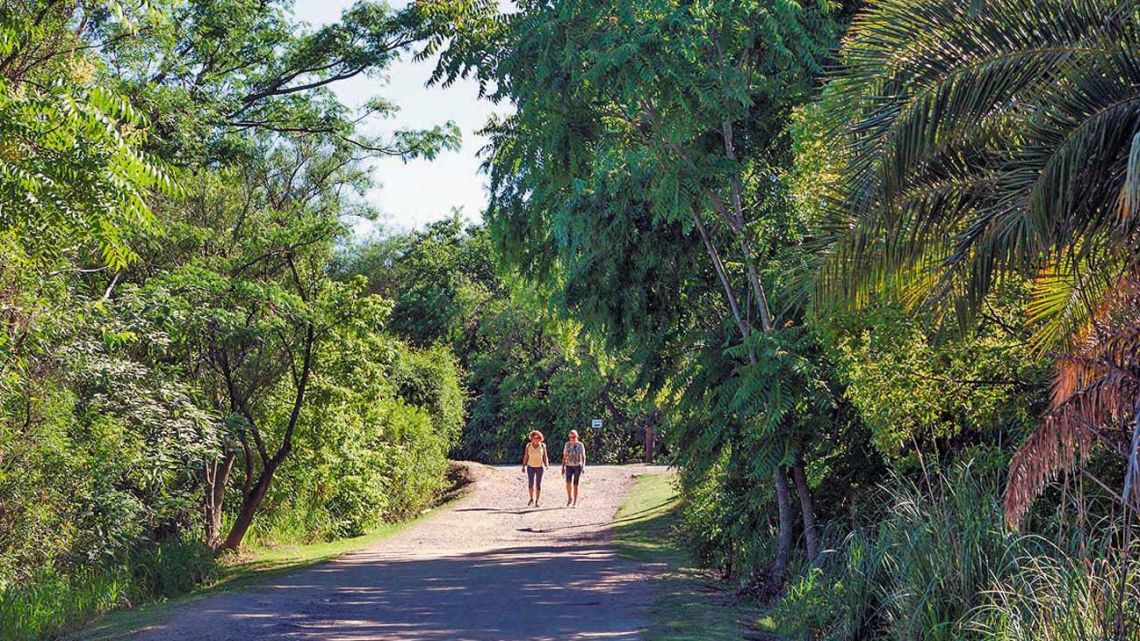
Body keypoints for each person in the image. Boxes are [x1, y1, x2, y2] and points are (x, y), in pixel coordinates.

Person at [521, 430, 549, 506]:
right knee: (530, 484)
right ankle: (531, 498)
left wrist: (547, 465)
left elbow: (545, 456)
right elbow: (526, 456)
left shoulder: (543, 446)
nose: (536, 439)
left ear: (540, 438)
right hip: (530, 466)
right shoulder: (528, 446)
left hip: (540, 467)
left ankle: (537, 501)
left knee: (538, 485)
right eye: (534, 438)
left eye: (537, 438)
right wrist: (523, 466)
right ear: (531, 438)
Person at [561, 429, 586, 507]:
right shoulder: (567, 444)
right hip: (569, 465)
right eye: (570, 437)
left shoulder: (580, 445)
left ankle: (575, 501)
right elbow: (564, 456)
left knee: (575, 484)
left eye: (574, 437)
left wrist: (583, 466)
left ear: (577, 436)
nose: (572, 438)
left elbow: (583, 456)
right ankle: (569, 498)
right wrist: (562, 467)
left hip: (577, 466)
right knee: (568, 483)